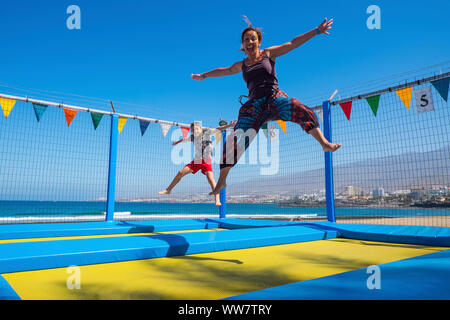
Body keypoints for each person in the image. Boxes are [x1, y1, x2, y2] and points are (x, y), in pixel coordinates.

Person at [191, 17, 341, 195]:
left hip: (274, 98)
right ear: (243, 45)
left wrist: (316, 31)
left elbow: (292, 43)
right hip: (254, 106)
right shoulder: (242, 65)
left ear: (259, 42)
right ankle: (221, 181)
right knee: (234, 141)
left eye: (253, 38)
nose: (249, 42)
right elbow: (224, 70)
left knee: (302, 110)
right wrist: (204, 75)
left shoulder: (268, 54)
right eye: (246, 39)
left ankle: (324, 143)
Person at [158, 121, 236, 205]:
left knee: (211, 179)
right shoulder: (193, 137)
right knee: (180, 172)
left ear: (200, 128)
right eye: (192, 130)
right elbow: (185, 139)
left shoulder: (207, 132)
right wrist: (177, 142)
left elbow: (218, 129)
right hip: (197, 160)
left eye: (195, 129)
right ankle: (168, 190)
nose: (194, 131)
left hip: (206, 160)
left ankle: (217, 199)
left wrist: (230, 125)